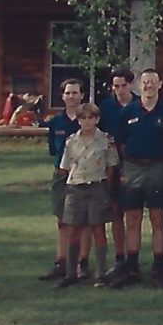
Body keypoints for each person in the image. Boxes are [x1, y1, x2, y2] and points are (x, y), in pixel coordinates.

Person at [113, 68, 163, 288]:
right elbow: (121, 144)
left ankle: (158, 266)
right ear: (139, 85)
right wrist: (132, 163)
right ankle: (132, 266)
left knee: (158, 219)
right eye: (145, 82)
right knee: (132, 219)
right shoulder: (128, 112)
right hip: (134, 168)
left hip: (159, 167)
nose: (149, 86)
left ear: (160, 84)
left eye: (153, 82)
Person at [54, 104, 119, 289]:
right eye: (83, 118)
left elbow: (111, 166)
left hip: (97, 186)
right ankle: (71, 273)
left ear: (97, 119)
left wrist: (107, 188)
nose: (87, 121)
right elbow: (64, 167)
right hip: (76, 187)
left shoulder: (105, 140)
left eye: (91, 118)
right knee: (74, 230)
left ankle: (101, 273)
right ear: (78, 120)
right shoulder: (71, 142)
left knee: (98, 229)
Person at [42, 78, 89, 282]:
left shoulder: (89, 119)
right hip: (62, 175)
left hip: (85, 175)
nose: (71, 96)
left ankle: (81, 263)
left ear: (82, 95)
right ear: (62, 96)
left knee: (83, 221)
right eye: (68, 93)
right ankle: (61, 262)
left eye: (75, 92)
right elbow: (54, 150)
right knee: (62, 220)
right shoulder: (55, 123)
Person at [98, 69, 135, 268]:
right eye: (116, 86)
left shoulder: (138, 105)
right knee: (115, 211)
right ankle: (120, 256)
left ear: (131, 85)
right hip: (110, 164)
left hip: (133, 163)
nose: (119, 90)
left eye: (123, 85)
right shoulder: (106, 107)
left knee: (133, 213)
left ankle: (132, 256)